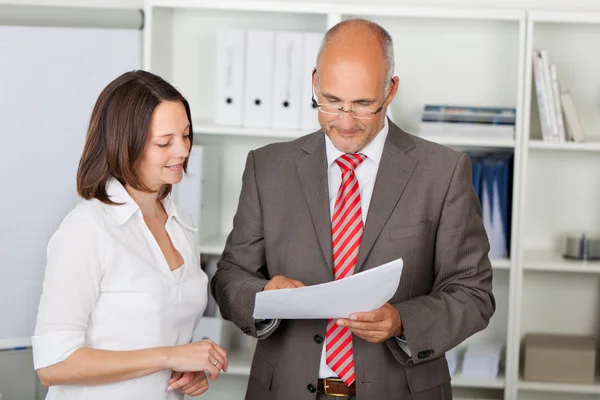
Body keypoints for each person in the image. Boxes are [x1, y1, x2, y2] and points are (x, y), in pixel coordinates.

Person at [211, 18, 495, 400]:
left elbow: (473, 293)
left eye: (363, 105)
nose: (344, 123)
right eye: (330, 102)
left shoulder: (443, 172)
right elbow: (229, 277)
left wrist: (401, 321)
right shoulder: (268, 168)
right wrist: (264, 294)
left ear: (390, 90)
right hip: (286, 389)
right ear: (314, 83)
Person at [32, 70, 228, 400]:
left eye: (186, 135)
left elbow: (164, 337)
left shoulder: (182, 225)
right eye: (165, 142)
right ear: (126, 146)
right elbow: (53, 364)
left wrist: (187, 370)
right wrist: (168, 356)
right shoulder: (87, 229)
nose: (182, 151)